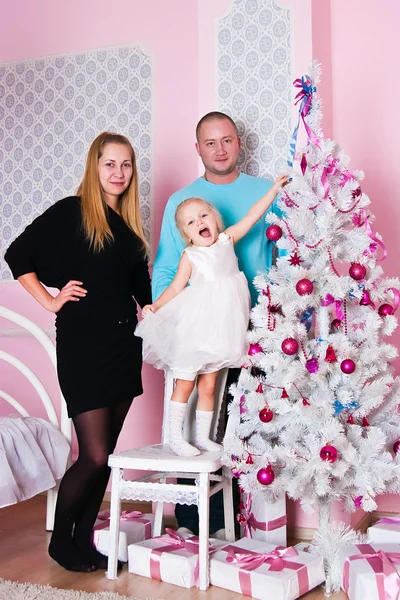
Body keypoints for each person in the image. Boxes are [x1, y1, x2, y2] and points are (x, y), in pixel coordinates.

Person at [5, 132, 151, 572]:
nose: (118, 173)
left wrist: (156, 307)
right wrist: (50, 299)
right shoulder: (72, 212)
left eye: (126, 165)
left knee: (105, 456)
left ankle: (84, 541)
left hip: (124, 348)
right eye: (110, 164)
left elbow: (141, 292)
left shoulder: (129, 231)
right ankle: (60, 541)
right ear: (95, 166)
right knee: (92, 454)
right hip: (84, 348)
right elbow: (17, 254)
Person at [151, 110, 286, 535]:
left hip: (258, 324)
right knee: (198, 407)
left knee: (254, 422)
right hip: (203, 326)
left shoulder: (265, 193)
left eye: (227, 139)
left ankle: (254, 524)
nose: (220, 149)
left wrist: (281, 315)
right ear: (198, 149)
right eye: (210, 142)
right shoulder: (181, 202)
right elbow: (169, 268)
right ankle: (198, 523)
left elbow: (286, 254)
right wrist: (166, 317)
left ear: (238, 143)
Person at [136, 178, 287, 457]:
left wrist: (274, 190)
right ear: (186, 235)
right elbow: (175, 287)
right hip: (196, 327)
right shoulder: (190, 256)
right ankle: (176, 437)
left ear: (215, 221)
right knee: (185, 383)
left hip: (221, 329)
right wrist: (155, 306)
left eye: (203, 216)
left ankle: (204, 438)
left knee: (209, 385)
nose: (199, 222)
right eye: (191, 222)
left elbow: (254, 216)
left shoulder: (226, 240)